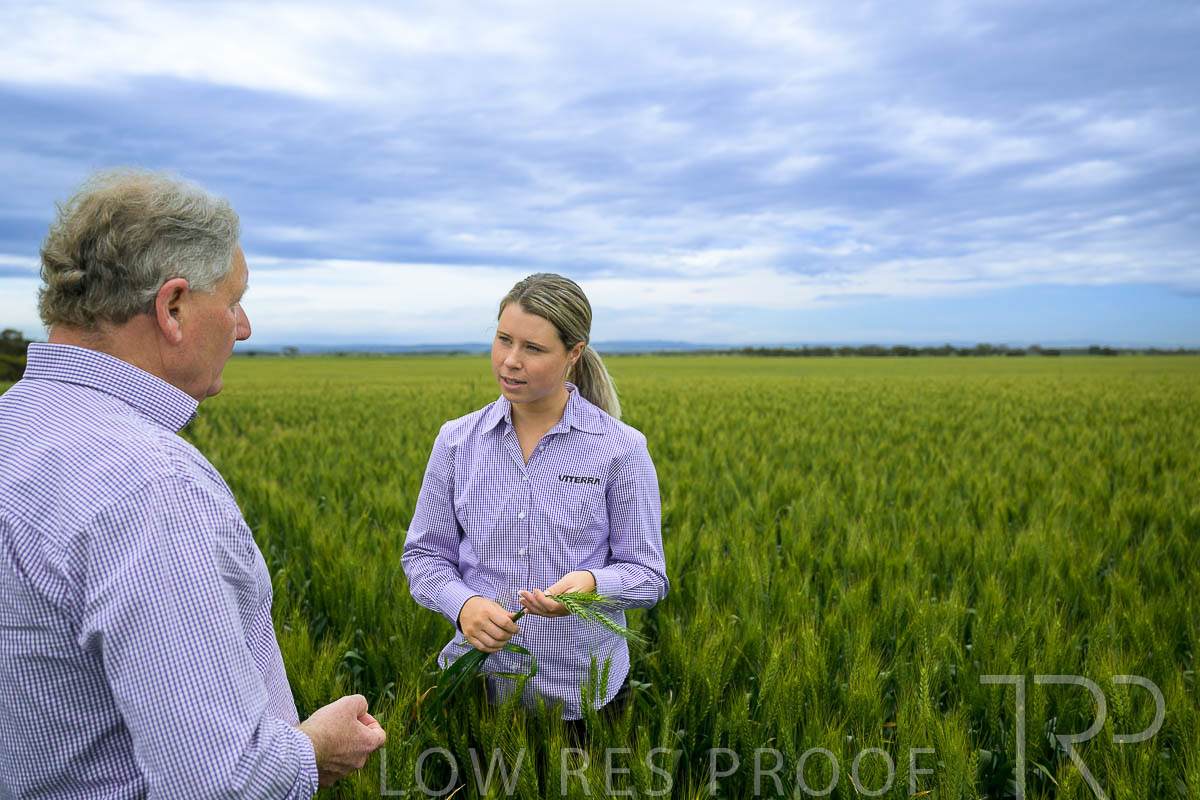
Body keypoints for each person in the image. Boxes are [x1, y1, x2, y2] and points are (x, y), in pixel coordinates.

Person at [0, 169, 386, 798]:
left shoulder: (13, 424)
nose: (244, 326)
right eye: (232, 301)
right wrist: (315, 749)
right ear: (173, 308)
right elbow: (219, 782)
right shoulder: (153, 485)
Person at [402, 273, 669, 722]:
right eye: (504, 340)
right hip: (476, 687)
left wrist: (592, 585)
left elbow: (649, 575)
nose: (510, 361)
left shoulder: (620, 449)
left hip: (584, 696)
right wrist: (463, 605)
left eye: (533, 348)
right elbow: (424, 556)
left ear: (573, 353)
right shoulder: (456, 441)